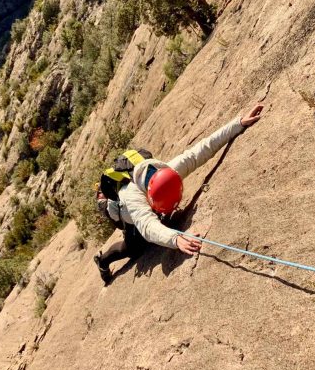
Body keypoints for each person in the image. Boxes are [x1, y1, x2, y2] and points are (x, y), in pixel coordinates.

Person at [93, 104, 264, 283]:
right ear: (150, 197)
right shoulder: (132, 196)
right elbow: (146, 226)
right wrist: (175, 239)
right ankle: (102, 261)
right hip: (119, 210)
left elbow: (200, 151)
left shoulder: (166, 172)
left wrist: (238, 124)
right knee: (132, 249)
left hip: (141, 197)